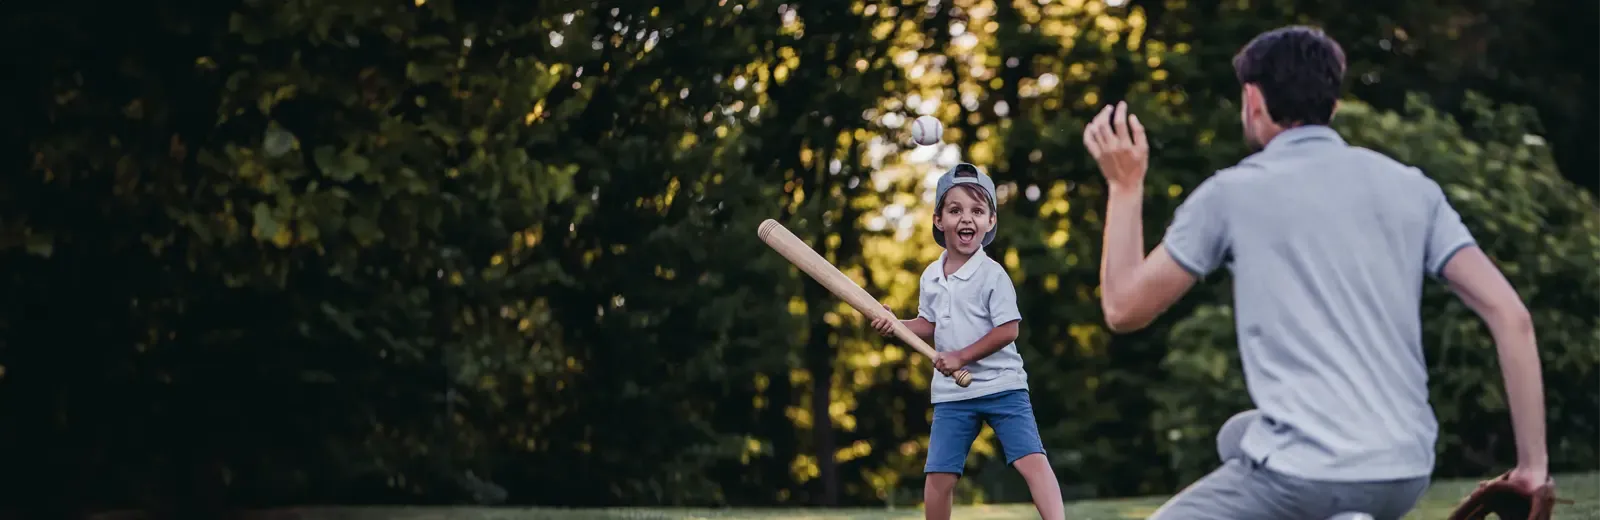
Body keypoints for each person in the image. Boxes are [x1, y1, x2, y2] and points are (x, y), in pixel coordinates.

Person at [1081, 25, 1550, 519]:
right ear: (1333, 103)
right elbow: (1511, 315)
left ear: (1253, 99)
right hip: (1404, 471)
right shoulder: (1413, 188)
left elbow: (1123, 308)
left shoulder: (1232, 194)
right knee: (1236, 437)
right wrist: (1532, 469)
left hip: (1303, 476)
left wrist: (1125, 185)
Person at [870, 163, 1064, 520]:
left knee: (1031, 462)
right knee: (939, 477)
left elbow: (1009, 330)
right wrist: (896, 325)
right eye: (955, 210)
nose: (966, 219)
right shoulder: (931, 276)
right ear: (938, 220)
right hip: (953, 395)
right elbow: (928, 324)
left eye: (977, 210)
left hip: (1003, 386)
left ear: (991, 221)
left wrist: (960, 356)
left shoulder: (993, 275)